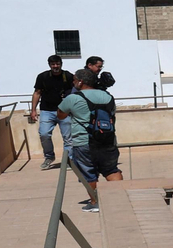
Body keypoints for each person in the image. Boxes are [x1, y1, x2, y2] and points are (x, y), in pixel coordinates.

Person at [56, 68, 122, 212]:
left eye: (74, 80)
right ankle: (119, 199)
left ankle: (95, 202)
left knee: (89, 174)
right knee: (111, 170)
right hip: (108, 140)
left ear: (80, 82)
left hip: (84, 142)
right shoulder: (108, 96)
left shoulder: (73, 98)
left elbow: (60, 115)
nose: (73, 83)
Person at [28, 55, 75, 170]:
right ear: (49, 65)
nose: (55, 66)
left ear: (61, 64)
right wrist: (33, 110)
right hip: (47, 111)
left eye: (57, 64)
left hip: (64, 111)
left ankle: (68, 160)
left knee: (68, 138)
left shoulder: (68, 76)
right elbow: (37, 93)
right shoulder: (43, 77)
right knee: (44, 134)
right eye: (53, 64)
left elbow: (76, 92)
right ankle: (49, 157)